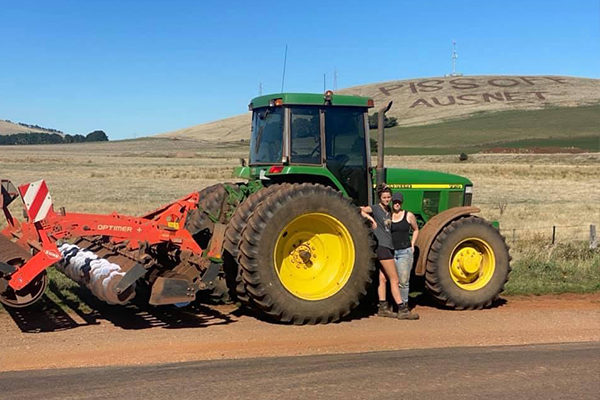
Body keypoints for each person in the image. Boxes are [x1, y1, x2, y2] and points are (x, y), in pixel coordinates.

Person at [361, 185, 419, 320]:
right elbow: (361, 210)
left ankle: (383, 307)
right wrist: (371, 220)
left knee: (383, 279)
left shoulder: (388, 211)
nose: (386, 199)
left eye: (388, 197)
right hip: (383, 247)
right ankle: (402, 309)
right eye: (384, 197)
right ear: (380, 198)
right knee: (395, 279)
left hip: (388, 247)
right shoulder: (375, 208)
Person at [391, 192, 420, 317]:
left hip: (404, 252)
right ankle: (396, 304)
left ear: (401, 203)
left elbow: (416, 229)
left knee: (403, 281)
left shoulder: (408, 215)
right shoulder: (388, 216)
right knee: (393, 280)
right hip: (392, 252)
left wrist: (413, 244)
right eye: (395, 202)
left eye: (399, 202)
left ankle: (404, 305)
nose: (397, 204)